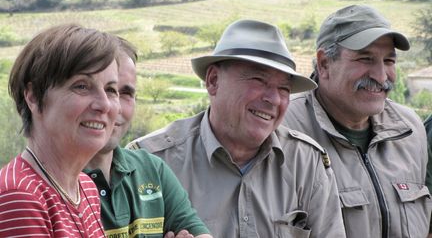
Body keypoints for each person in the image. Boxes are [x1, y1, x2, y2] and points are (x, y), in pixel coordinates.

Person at [128, 19, 346, 238]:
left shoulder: (306, 162)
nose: (273, 99)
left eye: (284, 89)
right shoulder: (148, 164)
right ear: (213, 81)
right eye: (259, 80)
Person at [283, 4, 432, 238]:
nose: (381, 75)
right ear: (324, 64)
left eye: (389, 61)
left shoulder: (410, 129)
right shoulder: (283, 131)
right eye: (365, 59)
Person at [84, 38, 212, 238]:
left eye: (125, 93)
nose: (112, 106)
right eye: (106, 90)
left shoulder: (152, 170)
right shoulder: (55, 184)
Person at [0, 24, 120, 237]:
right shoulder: (20, 196)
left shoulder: (86, 188)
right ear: (33, 97)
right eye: (82, 86)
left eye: (110, 90)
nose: (104, 105)